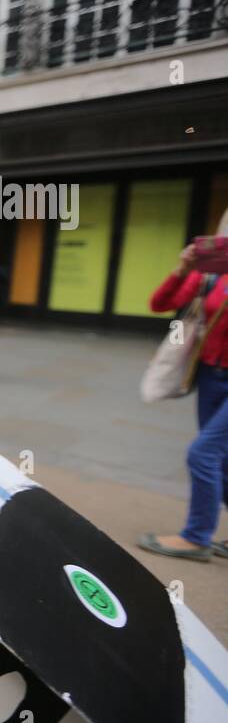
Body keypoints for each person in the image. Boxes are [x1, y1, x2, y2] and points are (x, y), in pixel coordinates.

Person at [140, 241, 228, 562]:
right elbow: (160, 303)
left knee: (203, 453)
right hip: (211, 374)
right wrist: (184, 270)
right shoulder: (212, 274)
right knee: (221, 458)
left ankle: (196, 537)